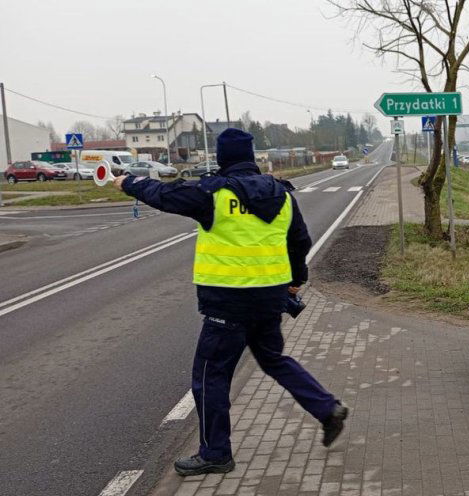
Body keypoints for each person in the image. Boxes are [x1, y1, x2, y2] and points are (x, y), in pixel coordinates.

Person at [113, 128, 348, 476]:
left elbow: (164, 194)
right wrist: (297, 281)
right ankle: (327, 408)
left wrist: (128, 183)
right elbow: (300, 241)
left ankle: (215, 453)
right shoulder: (282, 195)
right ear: (252, 157)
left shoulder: (212, 193)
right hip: (270, 298)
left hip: (228, 302)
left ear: (223, 158)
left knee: (210, 375)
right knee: (273, 359)